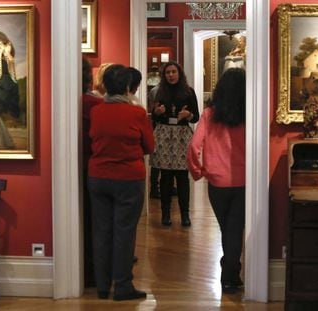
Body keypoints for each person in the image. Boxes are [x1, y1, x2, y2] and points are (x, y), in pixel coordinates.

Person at [88, 64, 154, 301]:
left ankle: (102, 286)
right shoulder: (137, 113)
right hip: (128, 178)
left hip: (98, 176)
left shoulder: (96, 111)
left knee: (101, 231)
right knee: (124, 232)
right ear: (127, 87)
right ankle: (123, 286)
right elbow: (150, 146)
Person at [187, 68, 246, 294]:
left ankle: (230, 271)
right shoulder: (248, 115)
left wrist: (197, 171)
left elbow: (194, 146)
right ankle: (230, 276)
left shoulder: (210, 114)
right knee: (234, 229)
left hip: (217, 183)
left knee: (227, 229)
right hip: (243, 182)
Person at [150, 61, 199, 227]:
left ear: (179, 73)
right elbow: (154, 118)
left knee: (182, 177)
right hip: (164, 134)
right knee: (165, 177)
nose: (171, 75)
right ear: (164, 75)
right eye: (168, 73)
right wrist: (157, 113)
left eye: (173, 72)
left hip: (181, 136)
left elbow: (197, 117)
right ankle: (165, 214)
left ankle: (185, 215)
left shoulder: (189, 92)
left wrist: (188, 114)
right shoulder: (159, 92)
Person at [81, 57, 104, 287]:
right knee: (94, 222)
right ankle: (94, 273)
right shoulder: (94, 105)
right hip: (93, 168)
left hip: (77, 168)